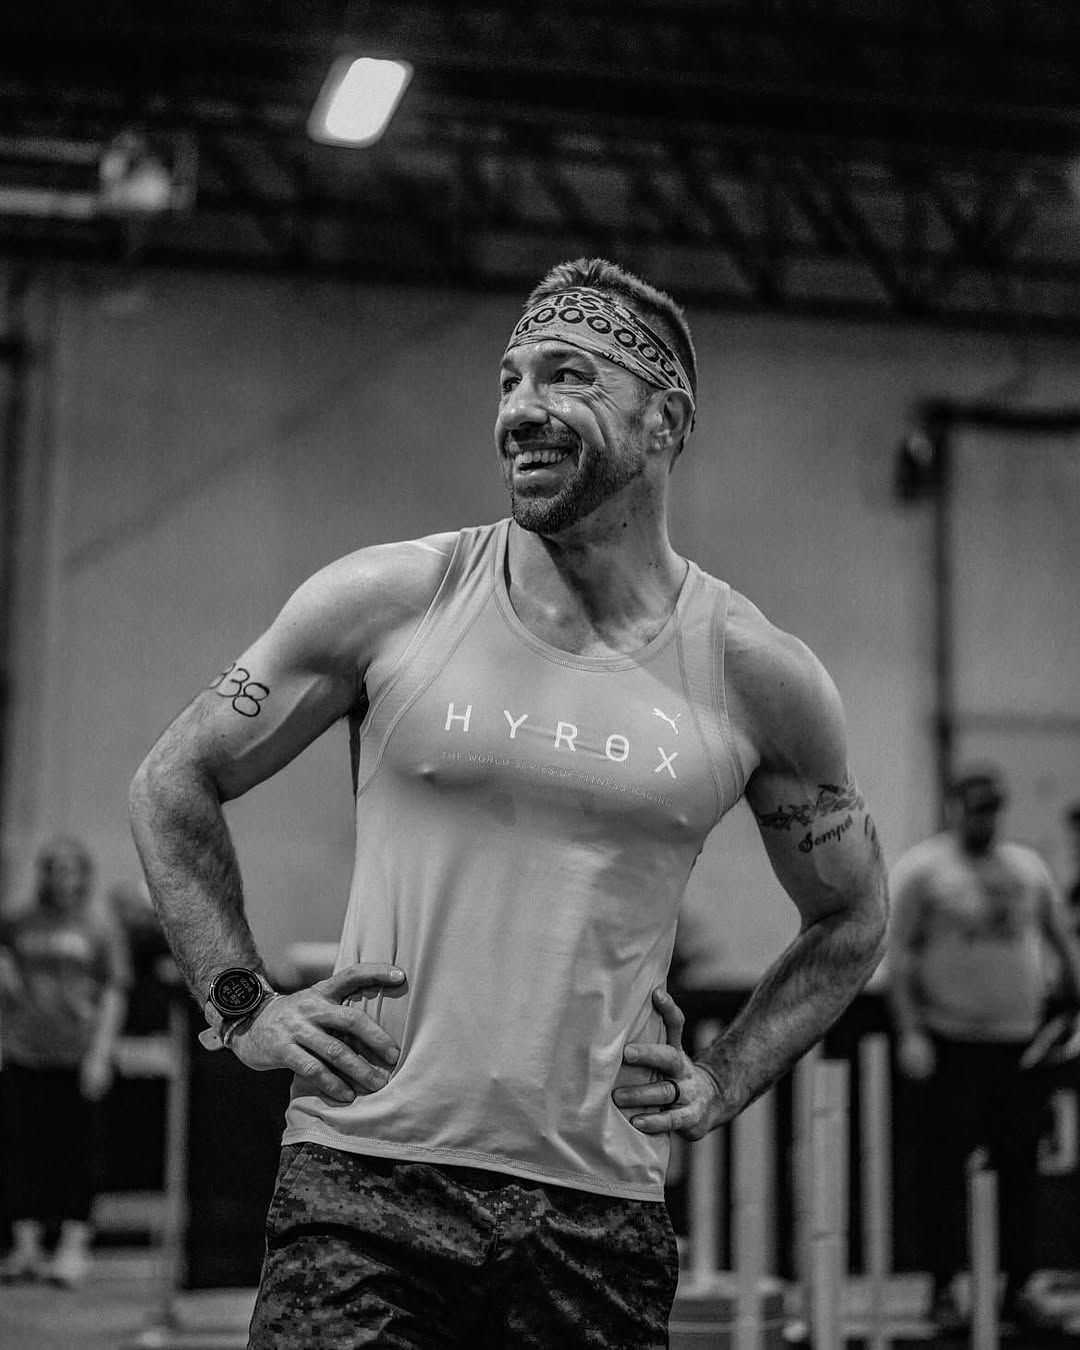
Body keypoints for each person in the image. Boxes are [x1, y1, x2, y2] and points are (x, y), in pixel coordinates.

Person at [129, 256, 888, 1349]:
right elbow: (172, 781)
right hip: (364, 1185)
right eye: (508, 380)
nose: (521, 410)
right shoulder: (393, 598)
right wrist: (243, 1004)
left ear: (667, 421)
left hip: (597, 1217)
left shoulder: (758, 674)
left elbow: (852, 915)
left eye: (568, 376)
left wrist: (725, 1078)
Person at [887, 765, 1080, 1333]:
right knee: (944, 1171)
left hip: (1020, 1045)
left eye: (993, 809)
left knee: (1020, 1170)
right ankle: (944, 1289)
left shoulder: (1026, 868)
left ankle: (1018, 1288)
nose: (984, 820)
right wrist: (911, 1033)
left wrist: (1072, 1003)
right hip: (951, 1043)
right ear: (953, 808)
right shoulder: (924, 870)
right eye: (975, 809)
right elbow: (899, 958)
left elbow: (1059, 940)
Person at [0, 836, 130, 1286]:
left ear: (83, 876)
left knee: (77, 1153)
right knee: (22, 1152)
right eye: (55, 869)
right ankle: (27, 1248)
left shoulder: (99, 929)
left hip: (77, 1055)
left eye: (72, 870)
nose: (63, 879)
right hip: (25, 1053)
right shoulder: (17, 923)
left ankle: (73, 1248)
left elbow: (114, 992)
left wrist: (101, 1052)